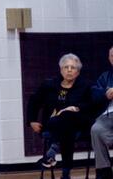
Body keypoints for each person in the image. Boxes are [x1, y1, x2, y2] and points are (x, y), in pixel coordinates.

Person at [27, 53, 93, 175]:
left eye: (72, 68)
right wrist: (32, 120)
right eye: (65, 67)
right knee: (64, 128)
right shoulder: (49, 85)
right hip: (53, 125)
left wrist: (76, 108)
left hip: (77, 125)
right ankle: (65, 173)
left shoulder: (85, 86)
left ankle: (53, 150)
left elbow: (91, 104)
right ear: (60, 70)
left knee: (67, 117)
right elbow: (34, 100)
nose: (69, 70)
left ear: (78, 72)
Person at [92, 45, 113, 179]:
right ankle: (104, 172)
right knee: (96, 129)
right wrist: (105, 94)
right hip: (108, 115)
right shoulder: (105, 76)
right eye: (112, 56)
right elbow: (94, 95)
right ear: (109, 59)